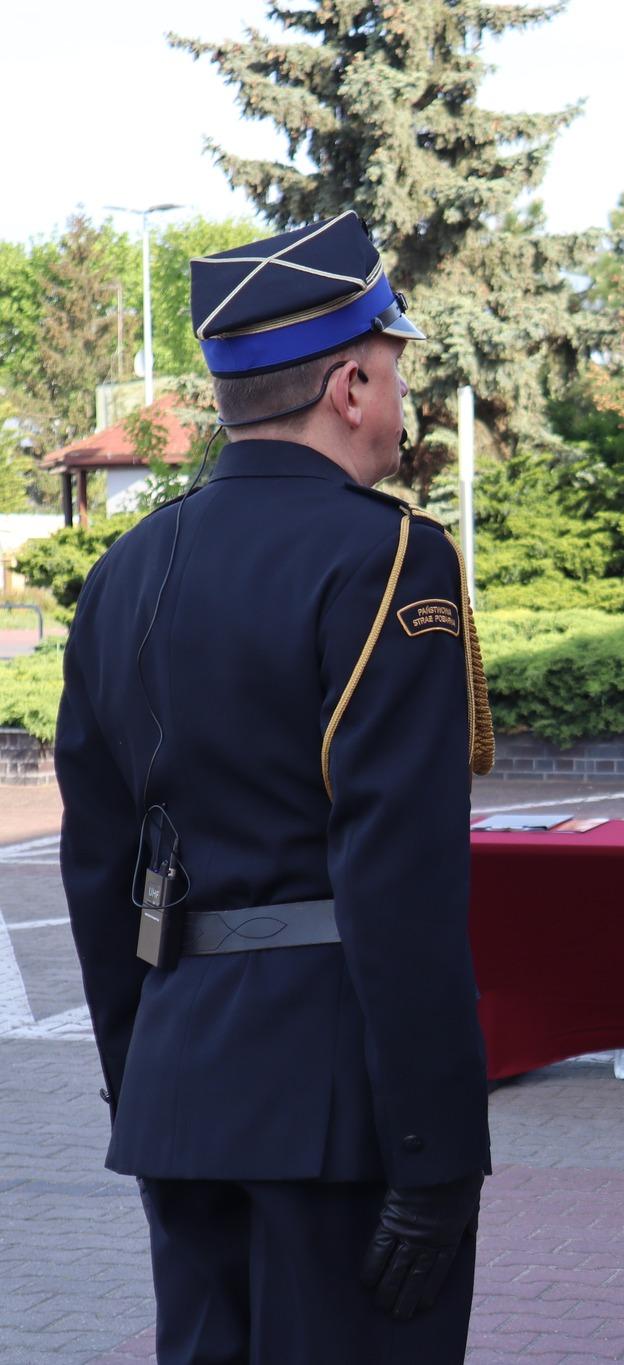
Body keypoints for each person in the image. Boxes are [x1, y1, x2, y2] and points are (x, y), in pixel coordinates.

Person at [57, 211, 495, 1364]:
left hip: (180, 1091)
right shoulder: (389, 558)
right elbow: (398, 873)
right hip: (341, 1109)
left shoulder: (121, 571)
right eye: (393, 370)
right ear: (349, 387)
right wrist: (436, 1146)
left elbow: (97, 869)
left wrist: (139, 1084)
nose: (402, 396)